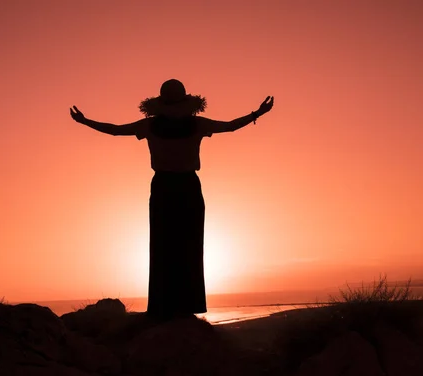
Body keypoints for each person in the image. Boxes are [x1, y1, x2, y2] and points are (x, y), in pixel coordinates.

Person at [70, 79, 274, 319]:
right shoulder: (195, 124)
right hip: (184, 186)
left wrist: (85, 122)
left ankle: (164, 305)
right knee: (187, 243)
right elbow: (230, 126)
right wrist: (258, 113)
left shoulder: (154, 126)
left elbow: (115, 130)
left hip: (167, 186)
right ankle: (184, 303)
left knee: (165, 244)